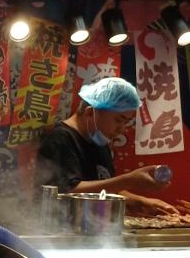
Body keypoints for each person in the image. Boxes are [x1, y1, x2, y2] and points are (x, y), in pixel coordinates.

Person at [35, 76, 172, 211]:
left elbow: (108, 188)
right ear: (90, 113)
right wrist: (128, 181)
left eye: (126, 122)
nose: (122, 129)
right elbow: (67, 192)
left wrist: (141, 202)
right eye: (119, 120)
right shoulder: (60, 138)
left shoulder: (99, 141)